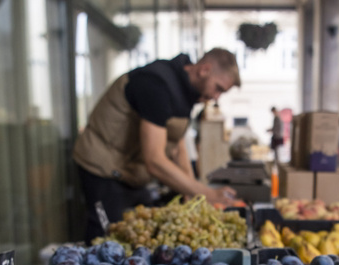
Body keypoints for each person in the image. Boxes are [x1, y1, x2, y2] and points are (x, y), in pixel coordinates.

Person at [73, 48, 240, 243]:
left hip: (131, 173)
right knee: (105, 238)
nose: (217, 97)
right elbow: (155, 160)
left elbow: (177, 146)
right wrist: (206, 193)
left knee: (141, 235)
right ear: (204, 70)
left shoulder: (187, 93)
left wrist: (192, 193)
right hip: (101, 167)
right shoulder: (156, 84)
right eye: (218, 88)